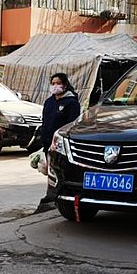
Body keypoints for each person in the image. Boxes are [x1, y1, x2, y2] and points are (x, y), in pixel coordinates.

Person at [35, 72, 81, 213]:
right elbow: (45, 121)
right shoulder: (49, 102)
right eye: (53, 83)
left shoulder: (71, 103)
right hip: (47, 144)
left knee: (60, 172)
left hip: (61, 146)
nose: (55, 86)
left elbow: (72, 125)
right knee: (50, 172)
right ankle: (51, 197)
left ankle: (57, 198)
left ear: (65, 85)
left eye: (58, 83)